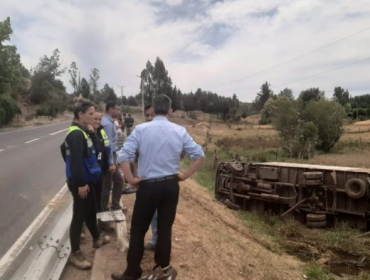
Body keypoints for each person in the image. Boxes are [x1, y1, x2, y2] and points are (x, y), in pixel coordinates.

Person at [112, 94, 205, 280]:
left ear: (152, 110)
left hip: (148, 186)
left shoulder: (141, 130)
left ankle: (132, 272)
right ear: (170, 110)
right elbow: (199, 155)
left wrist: (131, 180)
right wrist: (184, 176)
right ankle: (161, 270)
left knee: (138, 230)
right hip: (170, 186)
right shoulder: (180, 131)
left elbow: (123, 156)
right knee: (164, 230)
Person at [61, 100, 109, 270]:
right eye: (90, 114)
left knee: (90, 211)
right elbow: (74, 162)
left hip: (88, 180)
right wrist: (81, 182)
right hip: (81, 183)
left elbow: (65, 150)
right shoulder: (76, 134)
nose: (93, 117)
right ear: (80, 115)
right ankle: (75, 253)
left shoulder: (82, 131)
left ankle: (96, 237)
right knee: (79, 217)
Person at [86, 111, 113, 213]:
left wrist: (110, 162)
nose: (97, 121)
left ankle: (99, 220)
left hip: (101, 169)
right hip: (90, 172)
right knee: (90, 198)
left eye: (99, 119)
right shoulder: (85, 132)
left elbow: (108, 147)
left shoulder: (102, 131)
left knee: (100, 195)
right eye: (95, 119)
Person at [101, 101, 126, 211]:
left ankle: (115, 205)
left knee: (119, 181)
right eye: (117, 109)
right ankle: (104, 208)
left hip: (111, 157)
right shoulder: (107, 124)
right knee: (107, 185)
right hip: (109, 158)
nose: (119, 111)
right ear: (111, 109)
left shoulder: (108, 122)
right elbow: (108, 144)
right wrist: (111, 162)